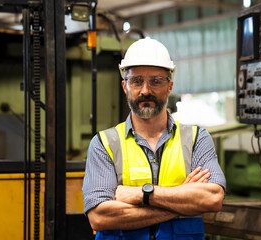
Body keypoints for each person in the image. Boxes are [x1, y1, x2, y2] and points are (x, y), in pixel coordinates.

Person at [82, 37, 226, 240]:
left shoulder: (196, 140)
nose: (146, 90)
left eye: (156, 81)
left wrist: (142, 194)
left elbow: (212, 199)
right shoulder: (104, 144)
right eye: (137, 81)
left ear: (170, 86)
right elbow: (99, 217)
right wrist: (182, 198)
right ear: (125, 86)